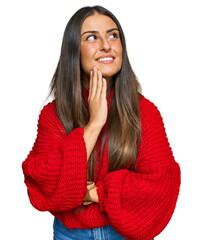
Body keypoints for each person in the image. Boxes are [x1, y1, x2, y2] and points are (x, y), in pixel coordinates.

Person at [22, 5, 181, 240]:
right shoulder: (53, 114)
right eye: (92, 37)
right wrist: (94, 124)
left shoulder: (144, 111)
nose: (106, 44)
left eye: (113, 35)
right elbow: (44, 183)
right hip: (70, 234)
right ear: (74, 50)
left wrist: (97, 193)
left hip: (125, 234)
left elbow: (162, 184)